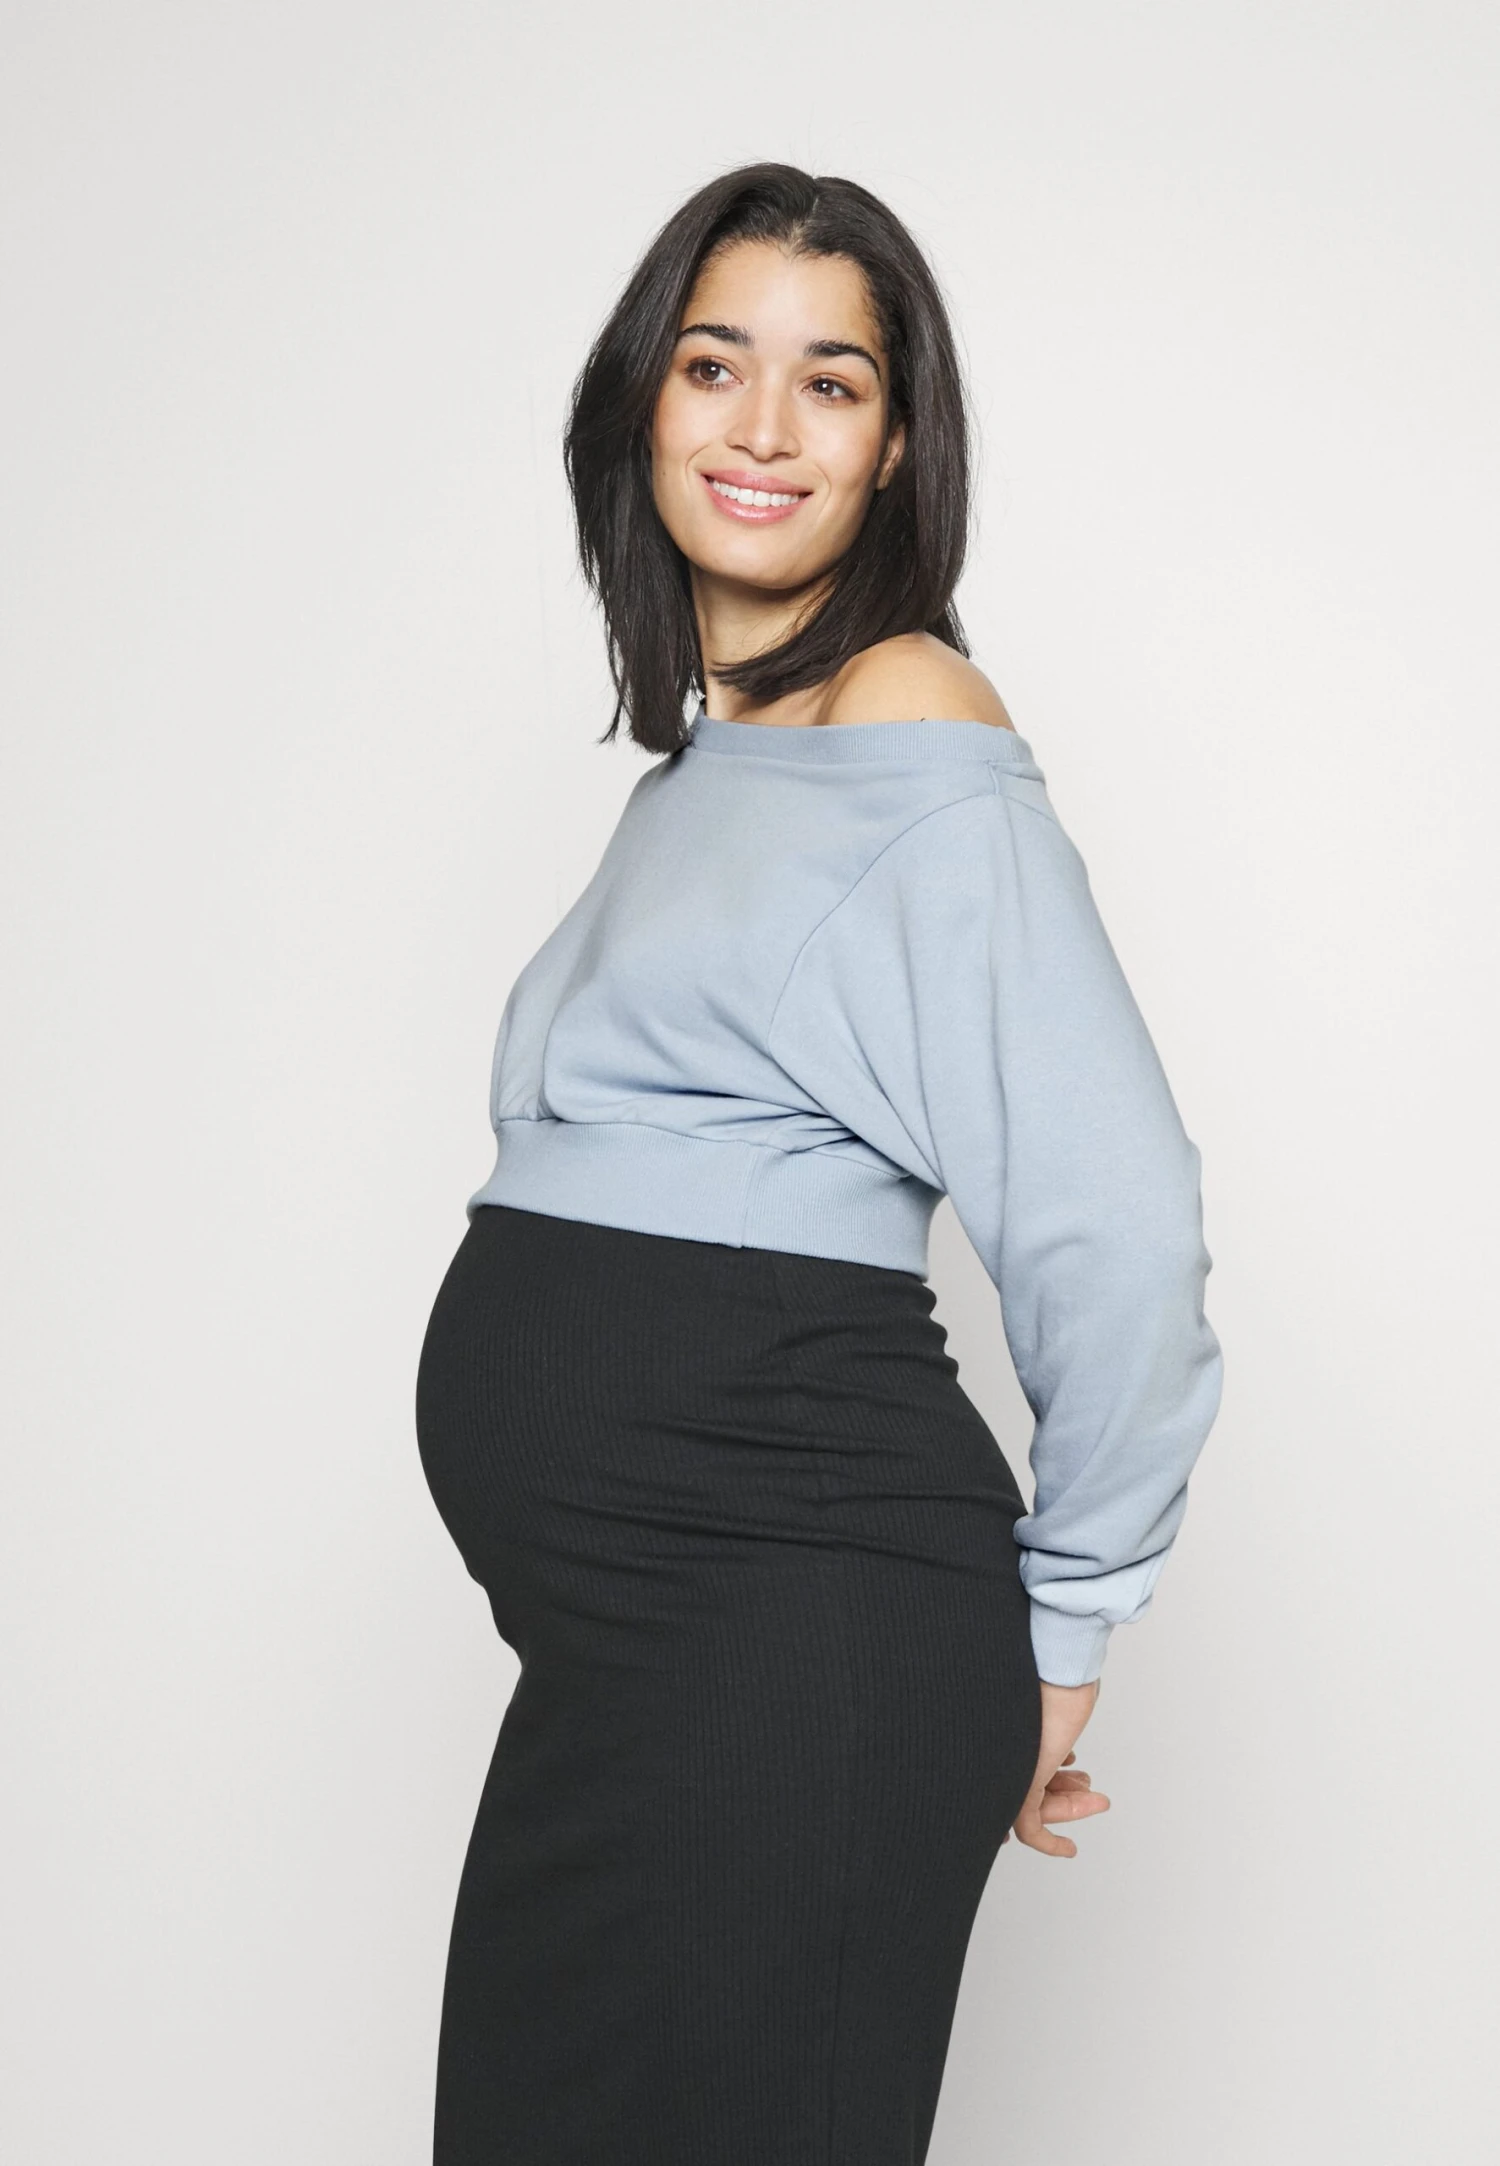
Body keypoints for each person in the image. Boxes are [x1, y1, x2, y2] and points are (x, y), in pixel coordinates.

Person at [415, 161, 1224, 2166]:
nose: (764, 426)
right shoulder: (718, 759)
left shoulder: (907, 716)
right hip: (625, 1664)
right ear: (642, 400)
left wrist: (1068, 1622)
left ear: (896, 449)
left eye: (832, 383)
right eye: (716, 365)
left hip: (792, 1638)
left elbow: (1116, 1220)